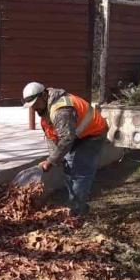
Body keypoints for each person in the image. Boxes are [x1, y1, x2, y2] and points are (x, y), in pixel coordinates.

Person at [22, 82, 107, 216]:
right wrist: (53, 159)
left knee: (80, 172)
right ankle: (76, 204)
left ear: (43, 95)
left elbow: (66, 139)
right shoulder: (44, 110)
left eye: (34, 103)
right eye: (30, 106)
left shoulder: (61, 110)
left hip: (93, 132)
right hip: (76, 134)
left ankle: (77, 212)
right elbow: (52, 137)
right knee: (68, 167)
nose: (33, 108)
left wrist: (51, 161)